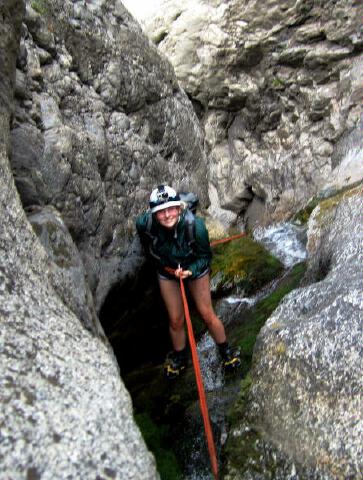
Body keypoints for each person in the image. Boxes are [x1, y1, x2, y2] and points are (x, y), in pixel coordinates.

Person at [136, 185, 241, 379]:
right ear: (154, 214)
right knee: (175, 319)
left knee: (206, 313)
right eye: (161, 211)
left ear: (179, 208)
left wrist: (190, 271)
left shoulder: (196, 227)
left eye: (171, 209)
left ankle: (226, 349)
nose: (167, 215)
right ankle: (179, 356)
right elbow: (148, 246)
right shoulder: (145, 224)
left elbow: (205, 257)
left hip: (194, 267)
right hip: (167, 270)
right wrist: (165, 266)